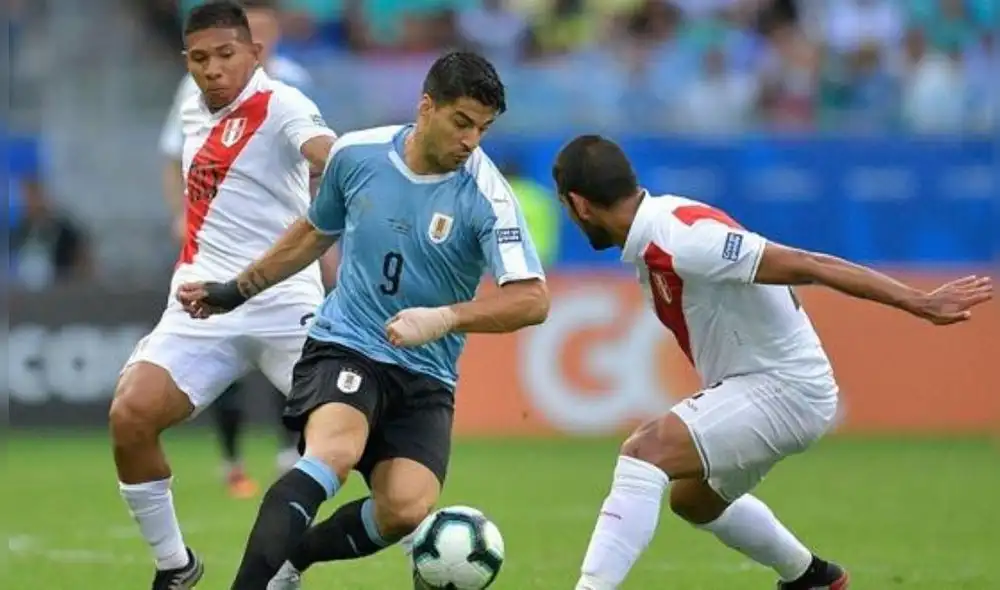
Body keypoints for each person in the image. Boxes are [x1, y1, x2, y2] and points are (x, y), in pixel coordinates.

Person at [176, 51, 550, 590]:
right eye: (462, 123)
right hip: (346, 344)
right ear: (427, 108)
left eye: (483, 130)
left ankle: (293, 557)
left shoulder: (487, 196)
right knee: (334, 454)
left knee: (405, 508)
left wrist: (443, 318)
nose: (471, 141)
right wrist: (235, 290)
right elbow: (312, 233)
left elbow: (533, 299)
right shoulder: (357, 154)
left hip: (426, 373)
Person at [551, 135, 993, 590]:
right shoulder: (659, 232)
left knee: (645, 451)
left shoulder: (684, 240)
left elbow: (808, 263)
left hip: (785, 387)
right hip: (765, 385)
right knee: (694, 501)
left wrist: (919, 301)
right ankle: (811, 577)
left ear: (580, 205)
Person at [108, 3, 337, 589]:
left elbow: (325, 154)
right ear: (187, 62)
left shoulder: (283, 103)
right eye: (200, 59)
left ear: (254, 54)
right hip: (200, 301)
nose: (213, 69)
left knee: (355, 437)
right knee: (130, 415)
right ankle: (175, 567)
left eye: (226, 55)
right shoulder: (188, 110)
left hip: (284, 301)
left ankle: (312, 556)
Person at [158, 0, 321, 498]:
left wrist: (323, 231)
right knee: (215, 374)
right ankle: (232, 461)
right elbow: (172, 156)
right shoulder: (194, 91)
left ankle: (287, 455)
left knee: (299, 379)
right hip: (216, 262)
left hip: (284, 264)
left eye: (268, 31)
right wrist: (180, 214)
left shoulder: (291, 88)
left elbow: (313, 158)